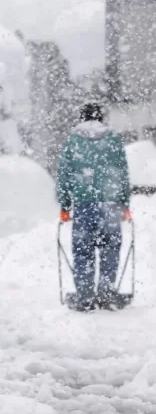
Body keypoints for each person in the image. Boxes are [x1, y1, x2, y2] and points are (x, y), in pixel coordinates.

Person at [56, 103, 132, 311]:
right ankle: (106, 294)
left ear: (82, 118)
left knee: (83, 251)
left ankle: (85, 297)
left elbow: (64, 175)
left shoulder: (73, 142)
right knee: (110, 249)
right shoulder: (113, 140)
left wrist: (64, 204)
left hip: (84, 205)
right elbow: (122, 174)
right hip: (110, 205)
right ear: (101, 118)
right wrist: (124, 203)